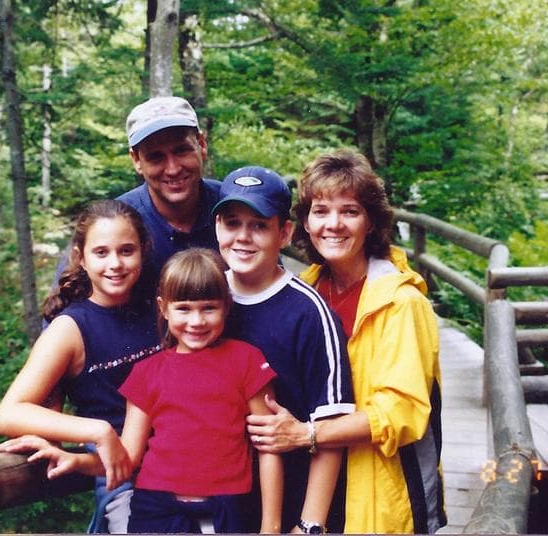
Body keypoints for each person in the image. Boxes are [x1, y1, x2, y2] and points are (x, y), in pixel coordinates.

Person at [246, 148, 446, 533]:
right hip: (310, 490)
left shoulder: (402, 302)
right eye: (320, 211)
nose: (333, 224)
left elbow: (402, 411)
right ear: (304, 222)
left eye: (350, 211)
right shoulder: (305, 292)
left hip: (379, 492)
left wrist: (307, 433)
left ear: (371, 222)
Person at [32, 248, 283, 534]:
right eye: (184, 308)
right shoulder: (146, 373)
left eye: (209, 308)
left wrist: (271, 527)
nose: (197, 321)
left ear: (226, 306)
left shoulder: (247, 360)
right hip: (156, 508)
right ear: (164, 308)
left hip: (229, 506)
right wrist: (76, 461)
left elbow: (270, 447)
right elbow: (128, 456)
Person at [0, 199, 162, 533]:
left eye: (127, 251)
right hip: (122, 476)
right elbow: (9, 413)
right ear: (81, 258)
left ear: (143, 251)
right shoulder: (69, 329)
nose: (115, 264)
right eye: (101, 253)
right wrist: (96, 430)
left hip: (181, 463)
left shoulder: (157, 307)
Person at [212, 166, 356, 534]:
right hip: (218, 508)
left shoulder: (309, 312)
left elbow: (332, 425)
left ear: (285, 233)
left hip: (291, 508)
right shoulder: (206, 299)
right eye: (232, 223)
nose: (243, 237)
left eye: (259, 225)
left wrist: (309, 525)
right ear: (217, 228)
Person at [118, 96, 222, 294]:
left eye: (182, 150)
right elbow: (66, 309)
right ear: (136, 160)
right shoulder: (114, 224)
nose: (173, 169)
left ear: (202, 144)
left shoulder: (233, 207)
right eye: (156, 157)